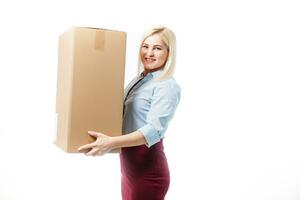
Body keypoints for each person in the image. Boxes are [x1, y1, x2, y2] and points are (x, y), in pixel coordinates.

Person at [78, 25, 181, 200]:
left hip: (148, 170)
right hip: (129, 167)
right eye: (145, 46)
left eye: (157, 48)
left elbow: (154, 131)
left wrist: (111, 142)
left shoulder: (167, 85)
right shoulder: (140, 80)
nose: (149, 53)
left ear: (169, 52)